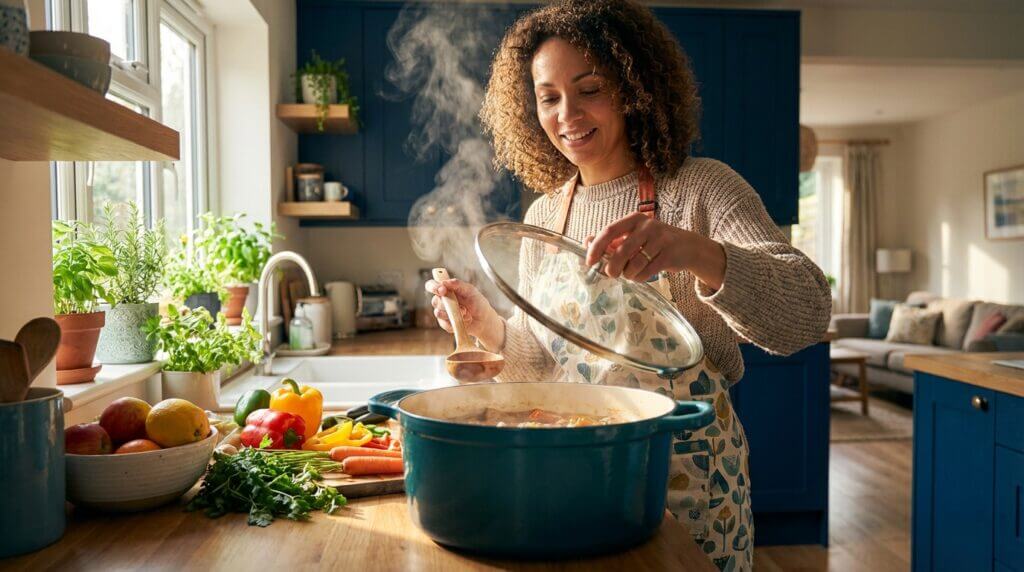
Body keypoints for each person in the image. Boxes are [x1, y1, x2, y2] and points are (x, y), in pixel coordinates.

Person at [425, 0, 832, 568]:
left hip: (688, 482)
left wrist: (698, 252)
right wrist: (489, 329)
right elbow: (546, 368)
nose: (567, 113)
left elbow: (808, 313)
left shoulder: (703, 188)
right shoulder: (545, 217)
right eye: (548, 97)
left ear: (634, 86)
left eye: (589, 88)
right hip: (576, 478)